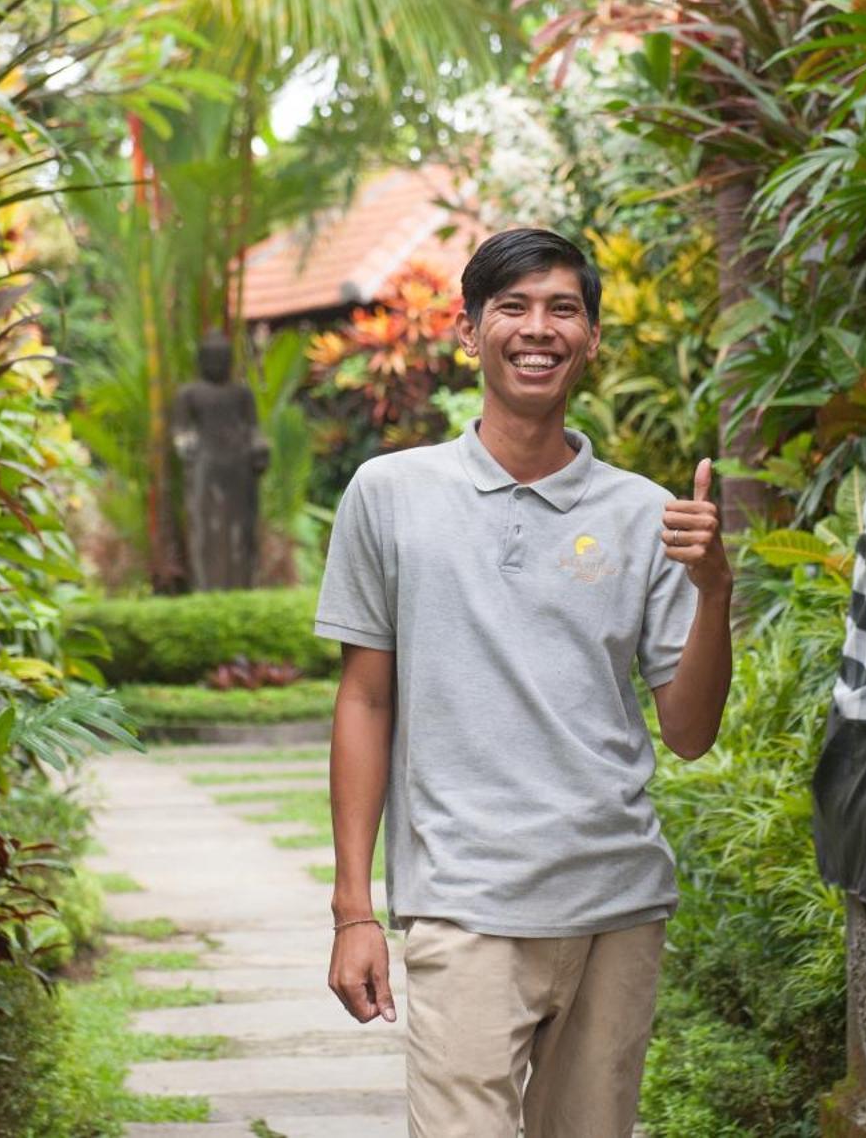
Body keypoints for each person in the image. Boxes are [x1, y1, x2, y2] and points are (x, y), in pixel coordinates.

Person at [316, 227, 735, 1136]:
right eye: (512, 306)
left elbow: (692, 730)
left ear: (589, 339)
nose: (536, 328)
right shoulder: (388, 494)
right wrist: (355, 909)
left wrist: (714, 593)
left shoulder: (643, 514)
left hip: (616, 904)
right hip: (464, 904)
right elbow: (365, 700)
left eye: (562, 309)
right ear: (469, 331)